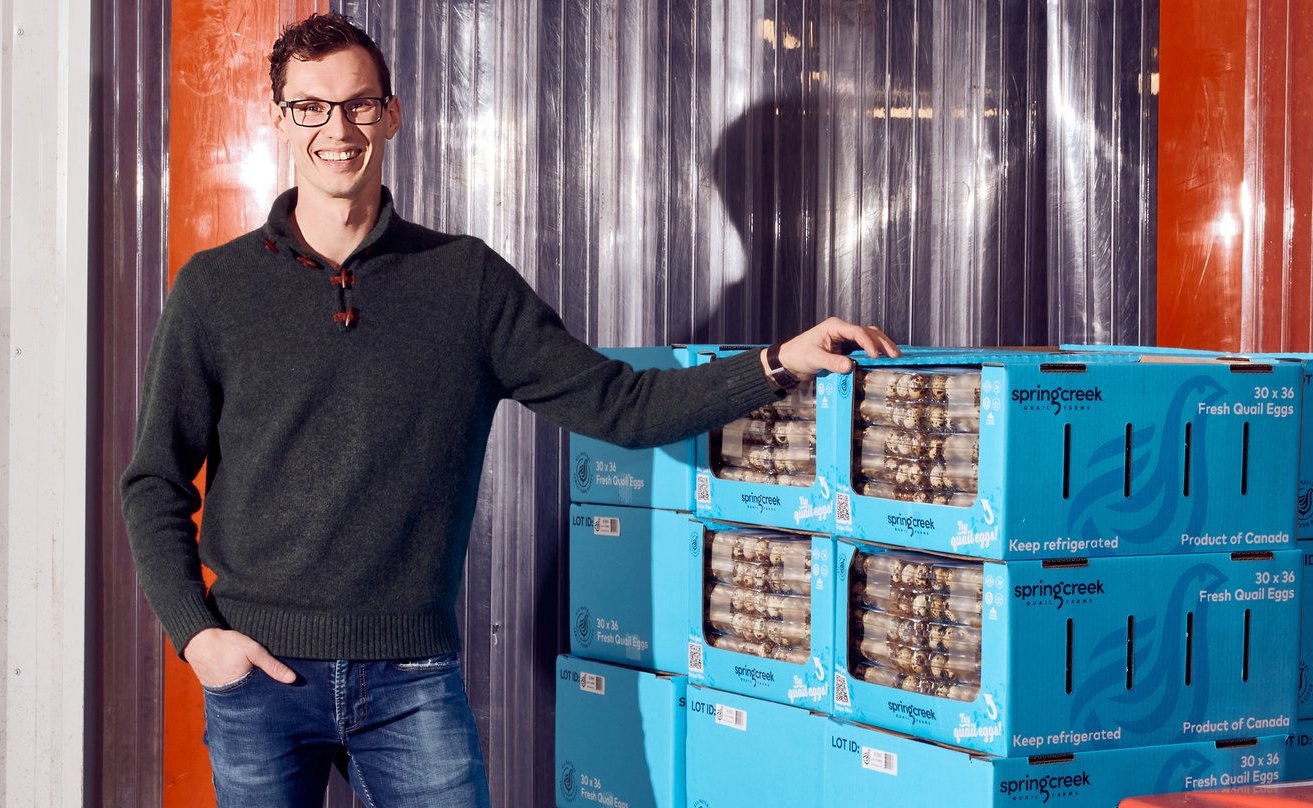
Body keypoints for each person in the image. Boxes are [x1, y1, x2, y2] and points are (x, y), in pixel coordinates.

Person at [121, 12, 898, 808]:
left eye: (358, 104)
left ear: (392, 114)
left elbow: (620, 404)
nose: (338, 128)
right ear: (282, 119)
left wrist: (777, 363)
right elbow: (155, 483)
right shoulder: (214, 290)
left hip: (409, 677)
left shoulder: (465, 282)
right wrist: (199, 636)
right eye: (311, 107)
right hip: (259, 677)